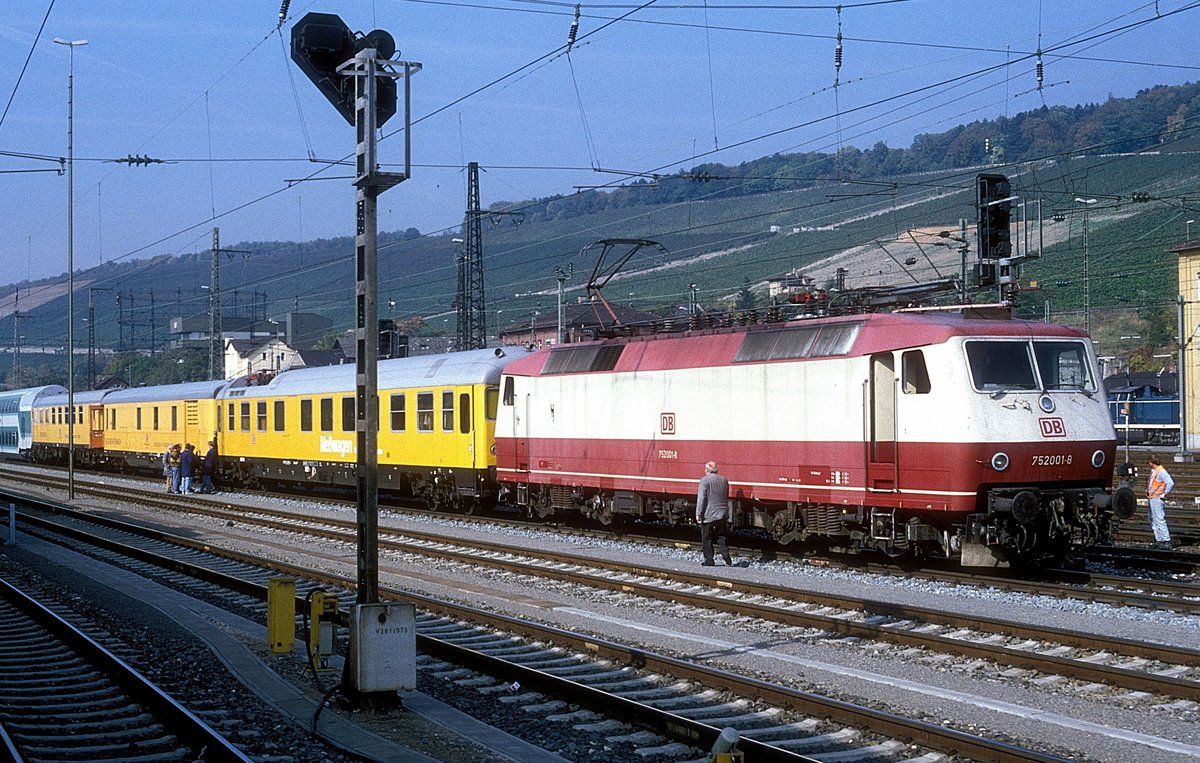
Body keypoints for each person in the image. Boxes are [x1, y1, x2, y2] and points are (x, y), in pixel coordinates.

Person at [696, 460, 732, 566]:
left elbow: (701, 498)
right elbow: (725, 496)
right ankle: (726, 556)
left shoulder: (704, 481)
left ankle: (709, 560)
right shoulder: (724, 480)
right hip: (722, 513)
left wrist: (698, 512)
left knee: (706, 537)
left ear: (706, 470)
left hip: (708, 514)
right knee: (722, 536)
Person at [1146, 455, 1174, 549]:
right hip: (1152, 498)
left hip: (1157, 498)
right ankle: (1159, 539)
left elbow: (1170, 483)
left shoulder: (1161, 471)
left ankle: (1166, 540)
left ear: (1151, 462)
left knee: (1159, 519)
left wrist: (1164, 493)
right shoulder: (1155, 471)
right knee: (1153, 519)